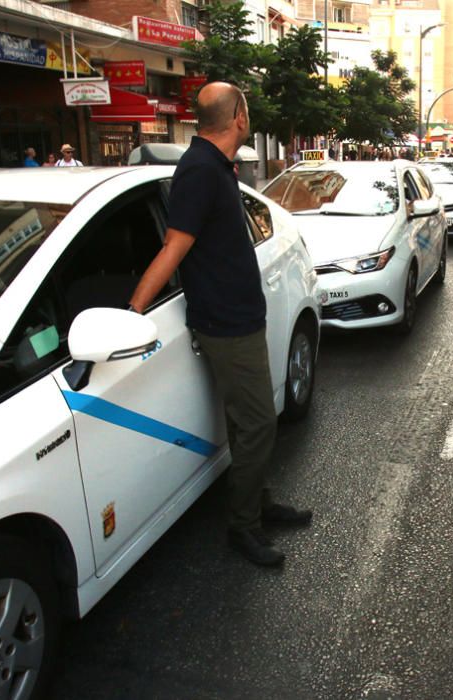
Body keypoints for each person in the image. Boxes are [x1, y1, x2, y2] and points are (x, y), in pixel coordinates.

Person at [128, 82, 311, 567]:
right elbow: (174, 247)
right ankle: (244, 526)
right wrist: (131, 314)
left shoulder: (216, 167)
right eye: (247, 109)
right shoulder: (200, 172)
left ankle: (256, 499)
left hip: (240, 317)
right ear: (240, 119)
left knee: (242, 422)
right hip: (225, 324)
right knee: (257, 423)